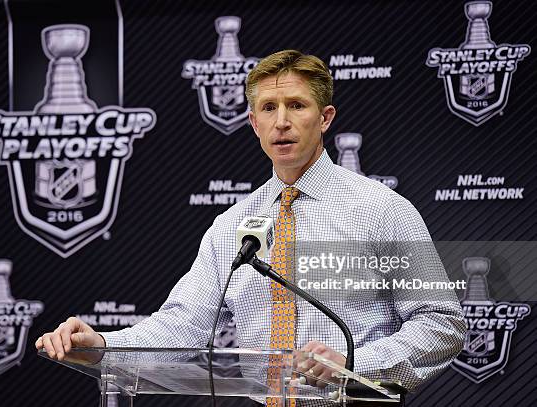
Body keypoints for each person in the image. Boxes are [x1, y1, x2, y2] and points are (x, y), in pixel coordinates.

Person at [36, 50, 465, 394]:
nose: (282, 121)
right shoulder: (231, 225)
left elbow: (441, 324)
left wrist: (353, 363)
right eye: (269, 107)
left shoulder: (384, 211)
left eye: (296, 105)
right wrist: (102, 346)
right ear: (253, 122)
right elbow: (182, 326)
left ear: (326, 118)